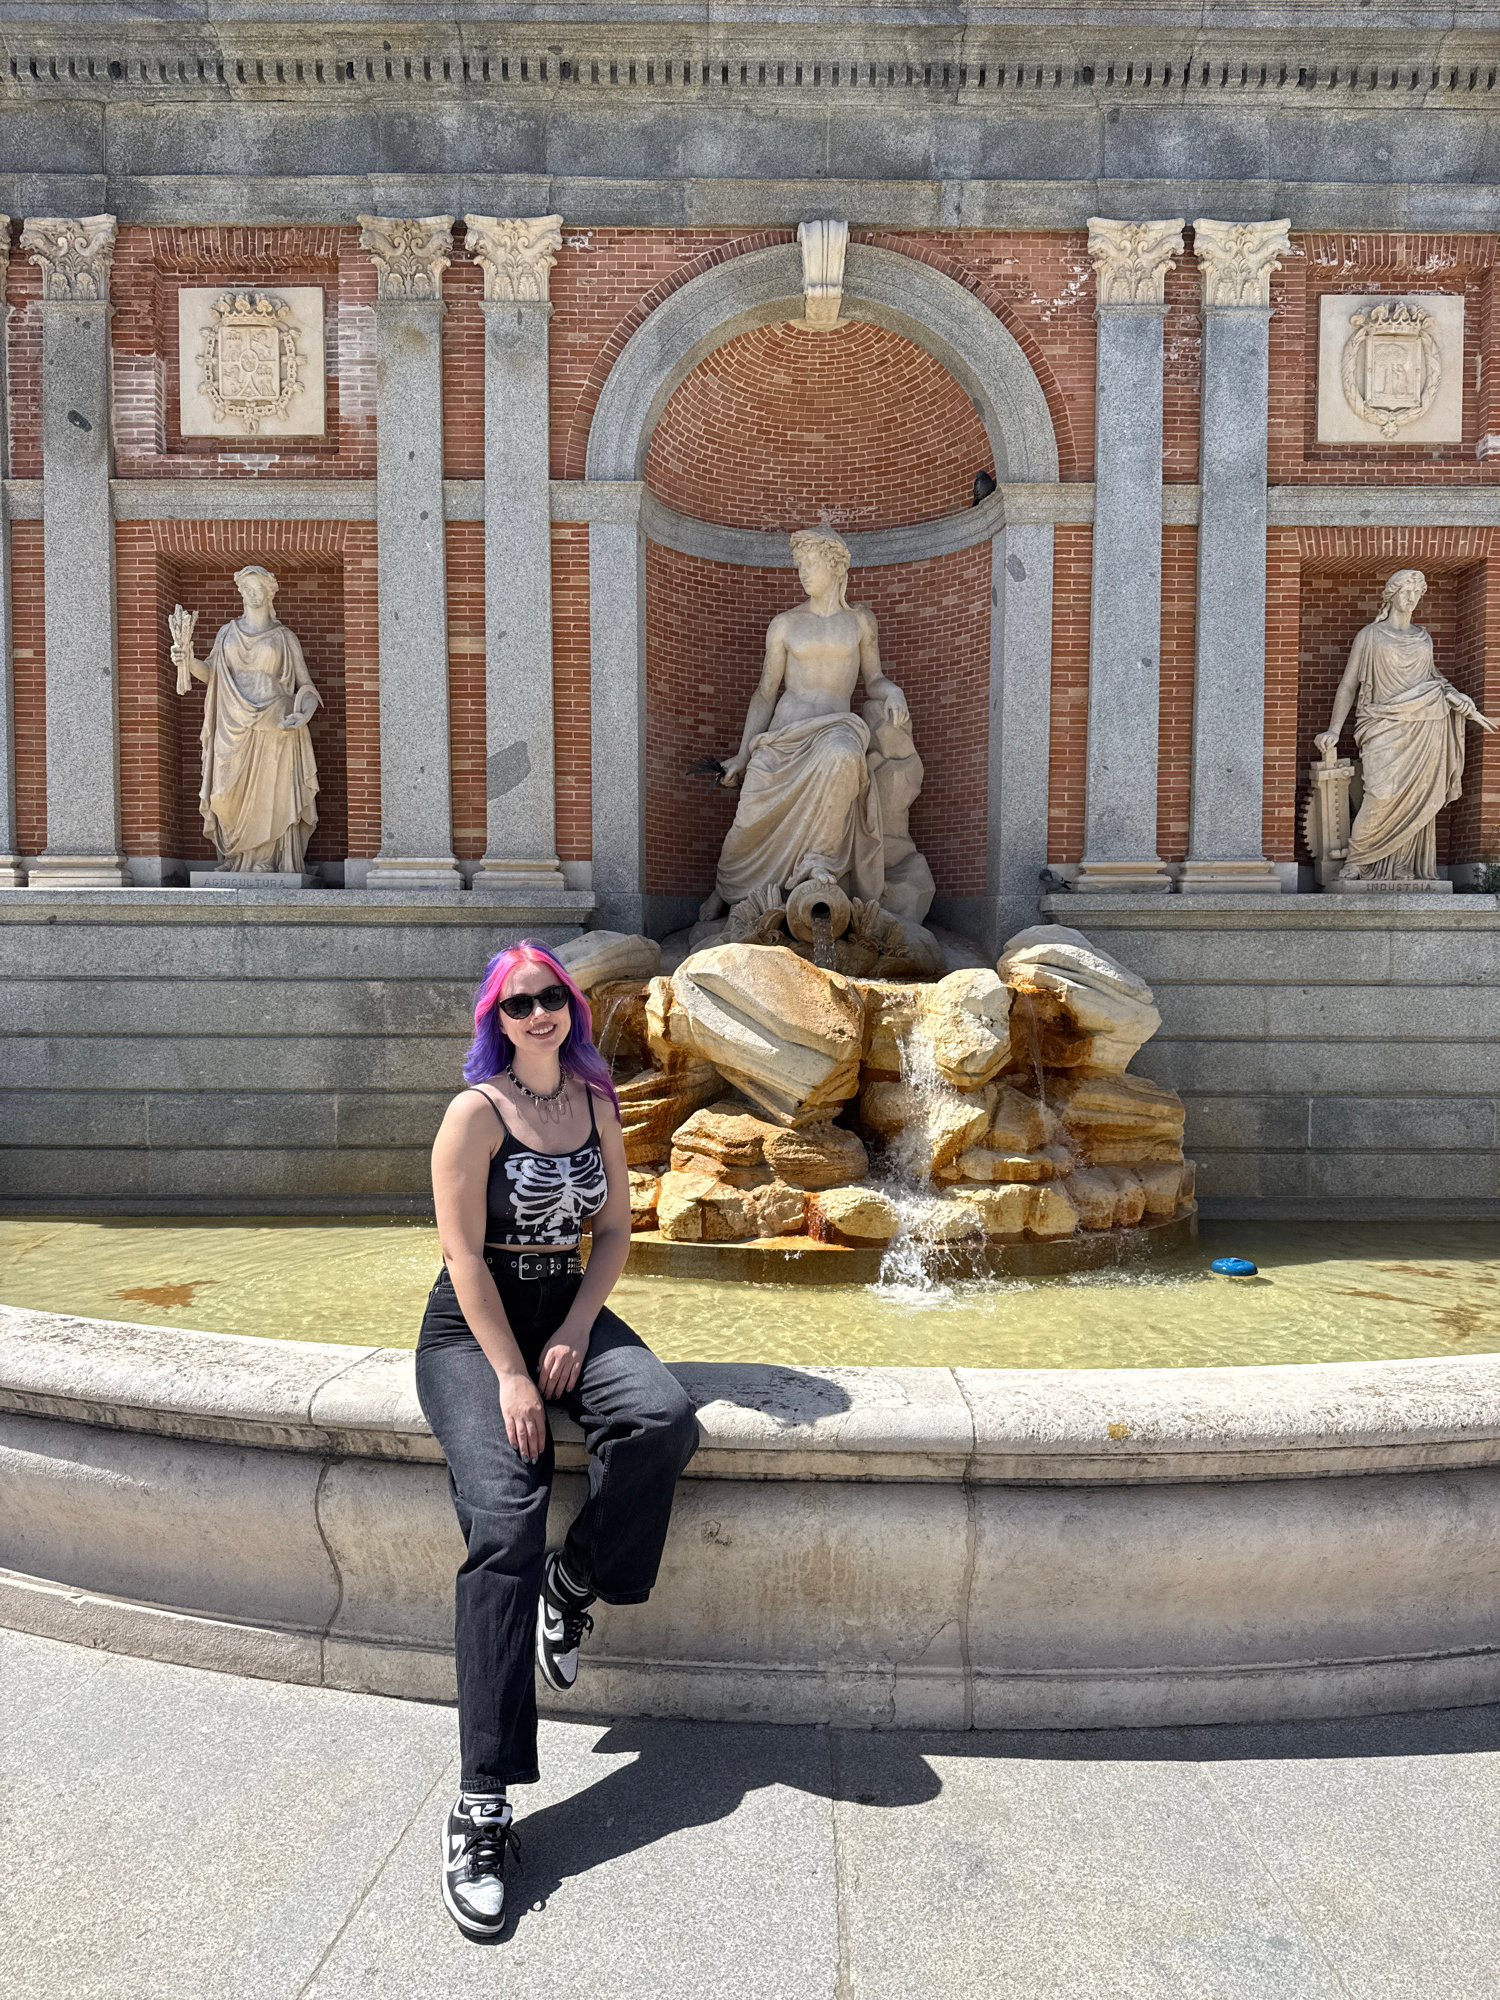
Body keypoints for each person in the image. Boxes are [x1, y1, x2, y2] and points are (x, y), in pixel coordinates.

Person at [417, 941, 699, 1939]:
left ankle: (573, 1582)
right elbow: (461, 1255)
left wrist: (577, 1326)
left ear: (571, 1009)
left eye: (551, 997)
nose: (538, 1012)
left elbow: (614, 1229)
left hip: (564, 1308)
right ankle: (480, 1806)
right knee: (504, 1520)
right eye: (518, 1001)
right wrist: (509, 1372)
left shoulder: (595, 1099)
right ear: (495, 1017)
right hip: (474, 1328)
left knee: (661, 1417)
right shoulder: (475, 1113)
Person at [699, 527, 918, 922]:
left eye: (810, 564)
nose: (802, 573)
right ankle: (728, 887)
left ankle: (819, 862)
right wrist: (743, 754)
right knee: (749, 816)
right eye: (799, 565)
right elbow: (765, 693)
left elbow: (874, 679)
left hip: (836, 728)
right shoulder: (785, 624)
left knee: (843, 757)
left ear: (835, 566)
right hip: (785, 733)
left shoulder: (860, 622)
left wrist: (893, 691)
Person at [1316, 567, 1498, 883]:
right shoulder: (1370, 635)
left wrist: (1456, 696)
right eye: (1406, 591)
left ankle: (1402, 865)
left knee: (1417, 796)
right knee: (1380, 794)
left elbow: (1434, 679)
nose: (1412, 598)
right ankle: (1358, 859)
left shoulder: (1423, 637)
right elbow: (1348, 685)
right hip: (1382, 722)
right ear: (1392, 594)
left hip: (1425, 724)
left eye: (1417, 592)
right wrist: (1334, 728)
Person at [168, 564, 321, 875]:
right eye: (246, 589)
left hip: (274, 723)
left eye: (258, 589)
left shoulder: (284, 637)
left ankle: (266, 859)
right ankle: (235, 857)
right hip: (230, 723)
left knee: (269, 794)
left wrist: (304, 713)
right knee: (223, 795)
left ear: (269, 593)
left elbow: (305, 685)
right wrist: (189, 660)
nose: (252, 595)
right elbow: (212, 674)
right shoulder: (227, 633)